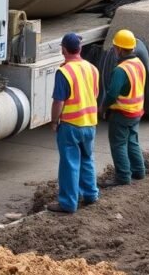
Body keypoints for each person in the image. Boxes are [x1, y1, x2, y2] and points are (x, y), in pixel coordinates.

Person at [47, 33, 101, 213]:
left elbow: (58, 101)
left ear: (63, 50)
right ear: (80, 48)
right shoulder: (93, 68)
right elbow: (94, 94)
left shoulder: (64, 71)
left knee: (69, 164)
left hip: (70, 125)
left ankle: (68, 203)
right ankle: (91, 195)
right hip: (89, 123)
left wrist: (54, 121)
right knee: (87, 159)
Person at [102, 29, 147, 187]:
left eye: (115, 47)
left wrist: (103, 107)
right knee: (132, 141)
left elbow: (112, 93)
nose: (114, 50)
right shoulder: (139, 63)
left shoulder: (121, 70)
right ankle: (139, 171)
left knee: (118, 144)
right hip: (136, 111)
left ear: (120, 49)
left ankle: (123, 177)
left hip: (122, 113)